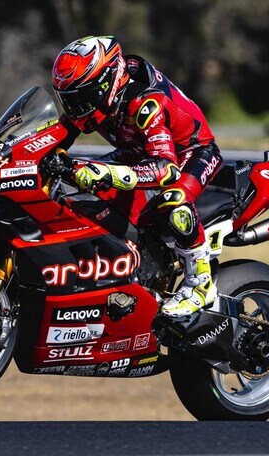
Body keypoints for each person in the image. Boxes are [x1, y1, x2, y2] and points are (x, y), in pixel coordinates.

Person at [51, 36, 223, 319]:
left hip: (190, 152)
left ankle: (200, 284)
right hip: (138, 151)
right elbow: (54, 139)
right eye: (69, 100)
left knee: (174, 199)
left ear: (106, 82)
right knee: (73, 180)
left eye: (82, 97)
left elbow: (166, 169)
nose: (76, 108)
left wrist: (106, 173)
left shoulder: (146, 103)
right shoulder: (93, 101)